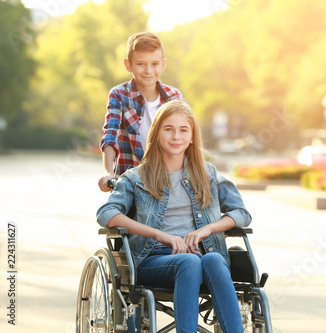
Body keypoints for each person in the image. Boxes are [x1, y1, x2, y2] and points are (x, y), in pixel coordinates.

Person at [97, 100, 250, 333]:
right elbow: (106, 213)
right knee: (188, 262)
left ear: (192, 137)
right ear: (156, 133)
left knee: (215, 259)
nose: (176, 136)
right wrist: (160, 235)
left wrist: (207, 229)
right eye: (168, 129)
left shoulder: (208, 174)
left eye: (183, 130)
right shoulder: (136, 177)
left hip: (203, 255)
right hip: (152, 260)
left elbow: (241, 214)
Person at [98, 31, 183, 192]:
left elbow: (183, 138)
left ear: (163, 64)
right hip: (130, 182)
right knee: (112, 216)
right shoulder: (119, 94)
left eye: (155, 64)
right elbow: (111, 134)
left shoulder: (174, 96)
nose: (148, 71)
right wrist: (108, 172)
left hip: (167, 182)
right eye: (141, 64)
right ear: (128, 64)